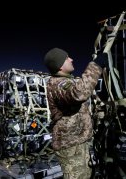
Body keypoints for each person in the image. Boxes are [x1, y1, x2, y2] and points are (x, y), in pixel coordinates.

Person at [43, 47, 108, 179]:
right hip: (70, 146)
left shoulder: (67, 81)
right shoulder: (58, 84)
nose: (71, 59)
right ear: (60, 65)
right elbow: (79, 93)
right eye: (67, 58)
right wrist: (95, 66)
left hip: (78, 143)